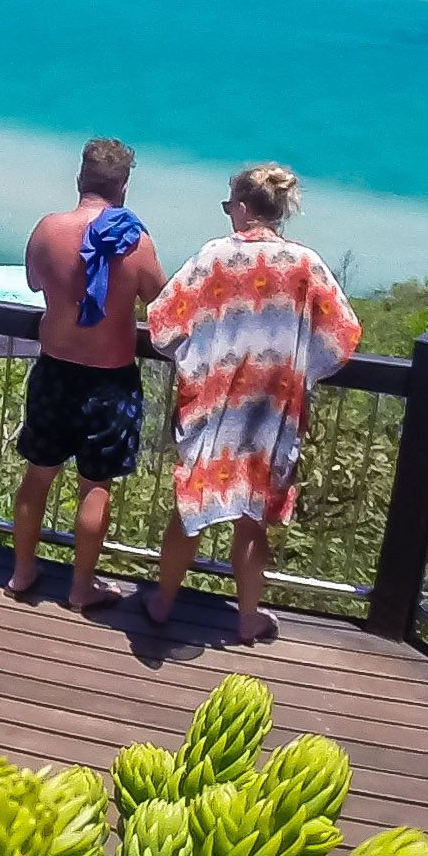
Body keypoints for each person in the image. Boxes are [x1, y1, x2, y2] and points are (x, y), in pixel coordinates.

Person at [138, 164, 359, 644]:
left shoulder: (215, 258)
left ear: (242, 207)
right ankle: (245, 619)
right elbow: (343, 336)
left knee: (192, 506)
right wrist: (297, 366)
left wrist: (208, 349)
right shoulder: (307, 266)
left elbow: (161, 324)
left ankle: (162, 603)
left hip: (214, 407)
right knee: (251, 517)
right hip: (271, 414)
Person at [12, 138, 164, 610]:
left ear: (81, 179)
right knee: (94, 485)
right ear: (123, 186)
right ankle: (81, 589)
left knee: (38, 476)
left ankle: (21, 573)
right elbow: (160, 303)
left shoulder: (48, 230)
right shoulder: (135, 242)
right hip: (109, 379)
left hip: (55, 369)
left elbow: (36, 281)